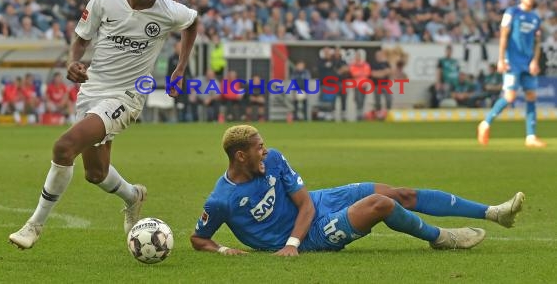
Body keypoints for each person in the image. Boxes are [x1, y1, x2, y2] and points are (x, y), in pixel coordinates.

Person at [9, 0, 198, 249]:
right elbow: (82, 37)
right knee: (95, 173)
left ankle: (34, 226)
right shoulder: (104, 1)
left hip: (127, 96)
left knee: (64, 147)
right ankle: (133, 196)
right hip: (92, 90)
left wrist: (180, 69)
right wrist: (73, 61)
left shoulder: (168, 10)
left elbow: (192, 23)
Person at [190, 125, 525, 255]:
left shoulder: (273, 159)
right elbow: (198, 238)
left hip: (314, 209)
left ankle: (493, 213)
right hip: (311, 237)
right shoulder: (221, 200)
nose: (265, 151)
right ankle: (441, 238)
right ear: (240, 155)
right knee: (380, 204)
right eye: (258, 148)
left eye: (263, 146)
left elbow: (305, 205)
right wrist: (222, 251)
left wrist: (288, 245)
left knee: (398, 193)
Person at [478, 0, 546, 148]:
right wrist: (501, 59)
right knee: (510, 97)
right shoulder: (512, 13)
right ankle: (485, 123)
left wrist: (535, 60)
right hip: (512, 62)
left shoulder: (536, 18)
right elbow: (503, 36)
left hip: (527, 62)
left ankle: (530, 136)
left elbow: (538, 42)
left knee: (531, 96)